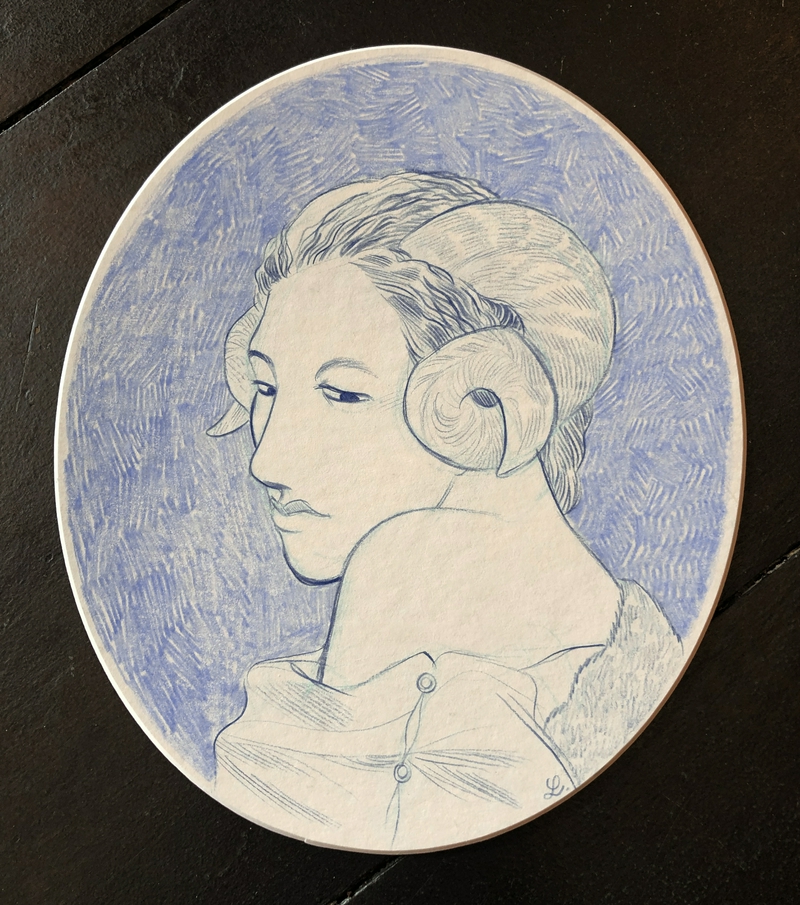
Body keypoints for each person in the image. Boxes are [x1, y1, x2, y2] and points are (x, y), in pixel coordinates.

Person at [208, 172, 683, 850]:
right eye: (265, 386)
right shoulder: (390, 665)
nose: (267, 461)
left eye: (343, 394)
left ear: (484, 396)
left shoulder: (602, 713)